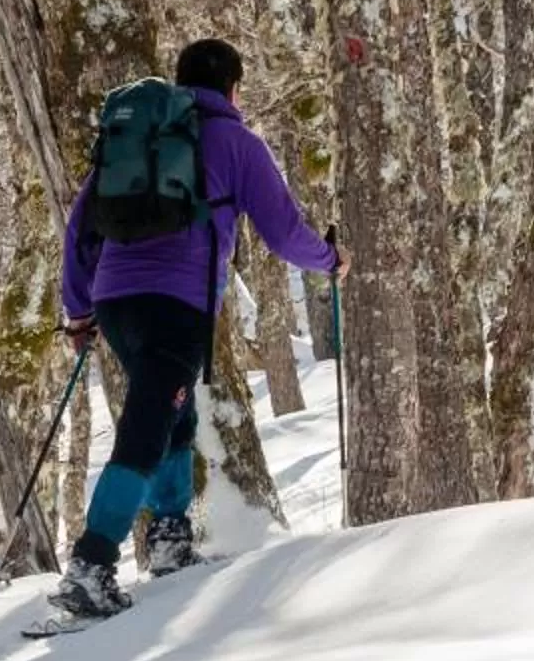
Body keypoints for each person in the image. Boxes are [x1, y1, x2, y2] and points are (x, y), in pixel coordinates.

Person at [56, 38, 345, 620]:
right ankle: (91, 564)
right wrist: (331, 260)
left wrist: (80, 309)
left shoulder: (135, 138)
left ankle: (169, 539)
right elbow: (285, 232)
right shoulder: (237, 142)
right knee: (148, 423)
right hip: (178, 305)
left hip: (115, 302)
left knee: (175, 415)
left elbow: (81, 226)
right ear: (232, 88)